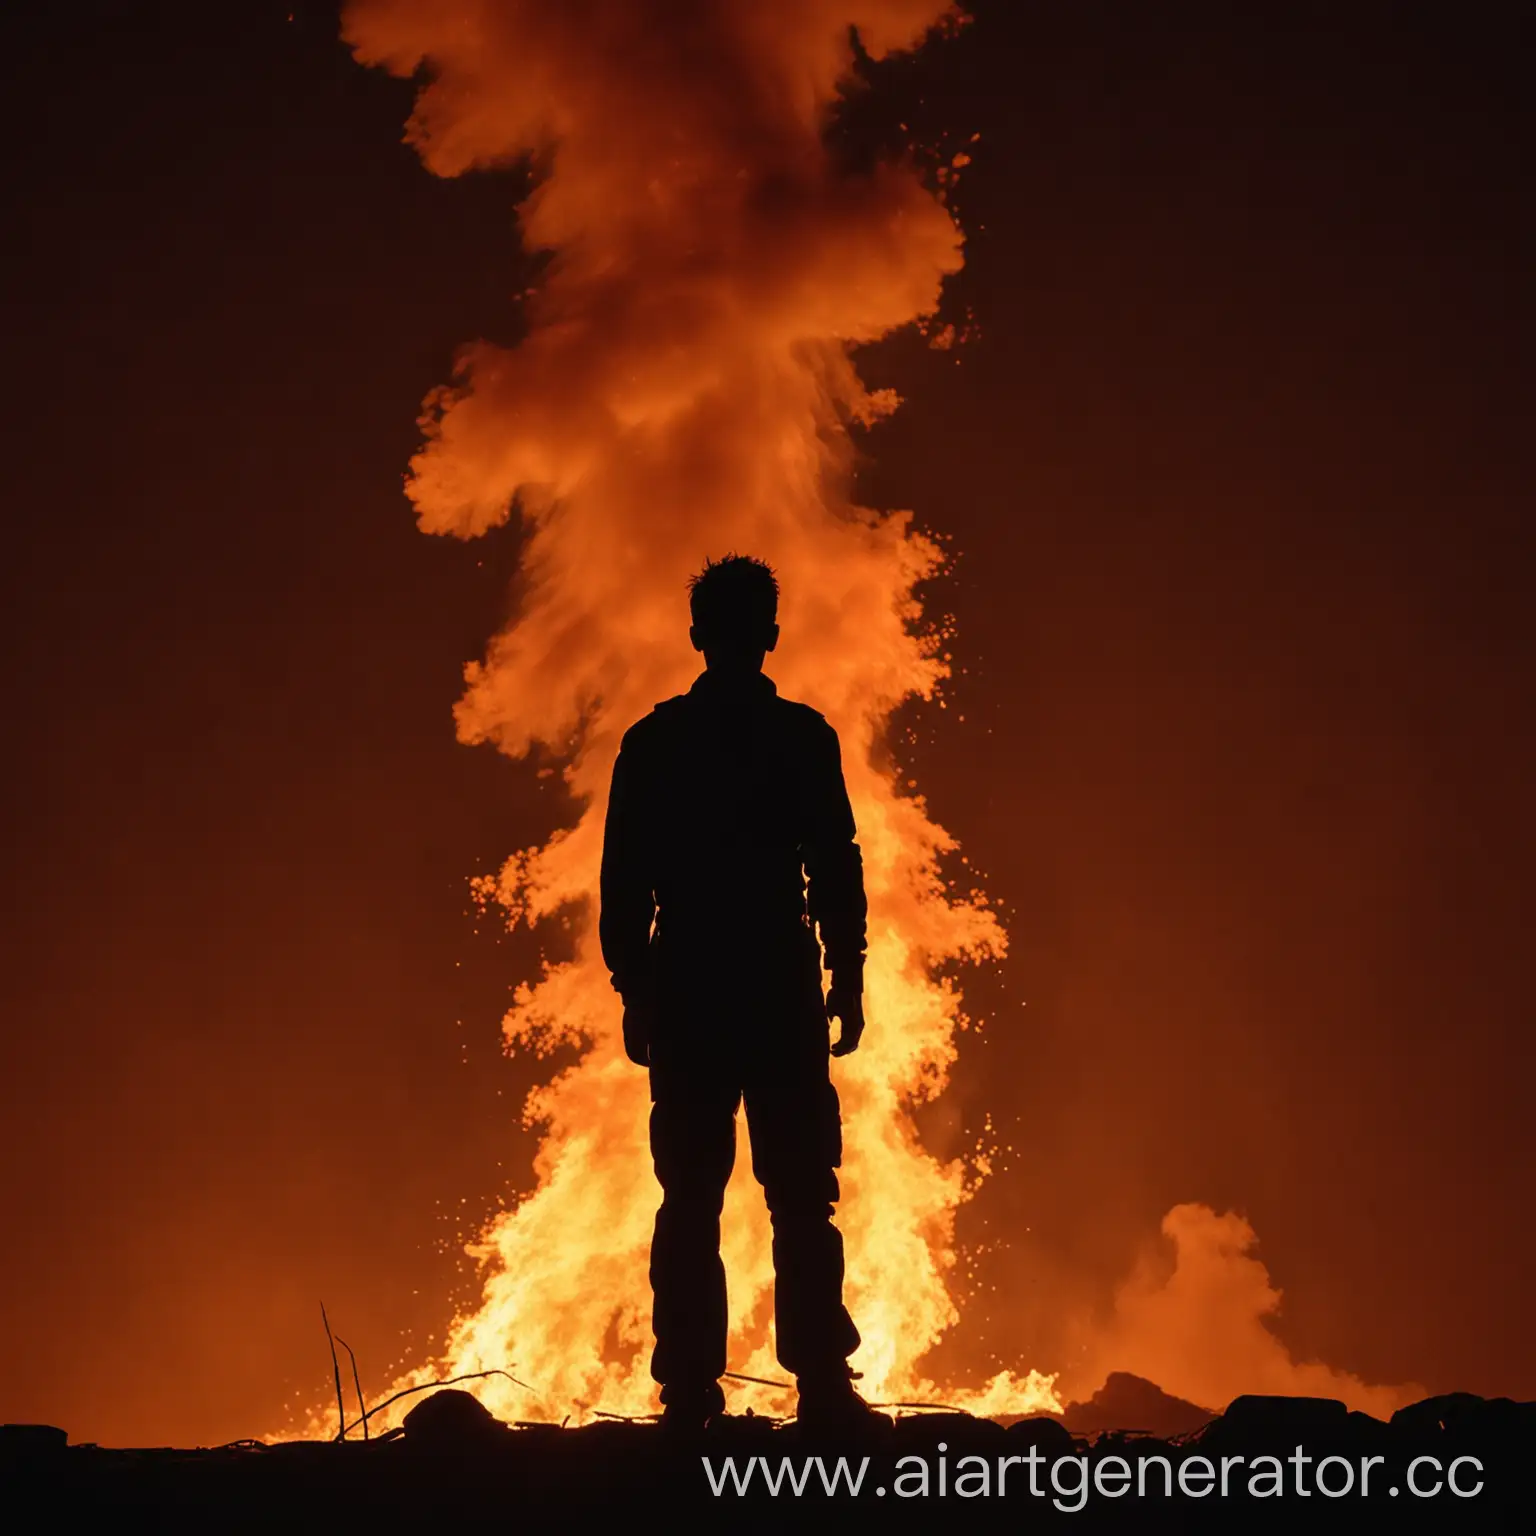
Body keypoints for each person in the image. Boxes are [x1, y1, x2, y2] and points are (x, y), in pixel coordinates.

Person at [599, 553, 876, 1431]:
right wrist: (848, 970)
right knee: (799, 1188)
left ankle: (689, 1393)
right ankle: (824, 1386)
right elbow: (834, 862)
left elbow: (623, 886)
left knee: (691, 1193)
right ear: (769, 636)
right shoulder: (800, 737)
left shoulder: (654, 744)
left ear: (698, 637)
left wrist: (637, 990)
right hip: (774, 981)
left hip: (690, 982)